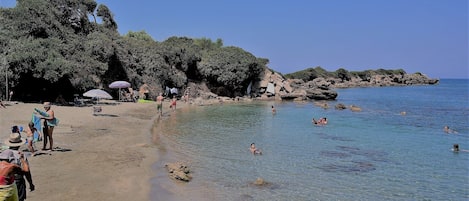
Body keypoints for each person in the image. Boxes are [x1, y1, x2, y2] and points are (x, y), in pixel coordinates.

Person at [1, 134, 33, 201]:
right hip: (18, 181)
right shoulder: (20, 155)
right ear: (19, 144)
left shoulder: (3, 154)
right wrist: (30, 183)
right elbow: (26, 171)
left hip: (5, 183)